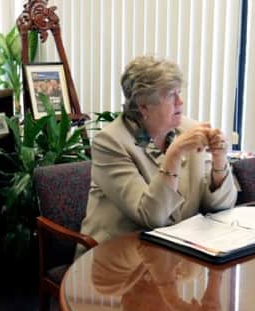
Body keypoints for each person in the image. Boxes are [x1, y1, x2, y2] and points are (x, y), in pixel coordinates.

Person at [80, 56, 237, 249]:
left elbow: (222, 206)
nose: (180, 101)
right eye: (171, 95)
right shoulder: (111, 142)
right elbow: (150, 216)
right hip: (119, 252)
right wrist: (174, 154)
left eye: (179, 92)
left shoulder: (190, 129)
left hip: (178, 248)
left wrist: (219, 160)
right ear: (144, 106)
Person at [92, 235, 223, 311]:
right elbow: (214, 235)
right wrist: (213, 290)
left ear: (141, 310)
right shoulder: (186, 272)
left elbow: (148, 241)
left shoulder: (108, 282)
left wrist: (174, 301)